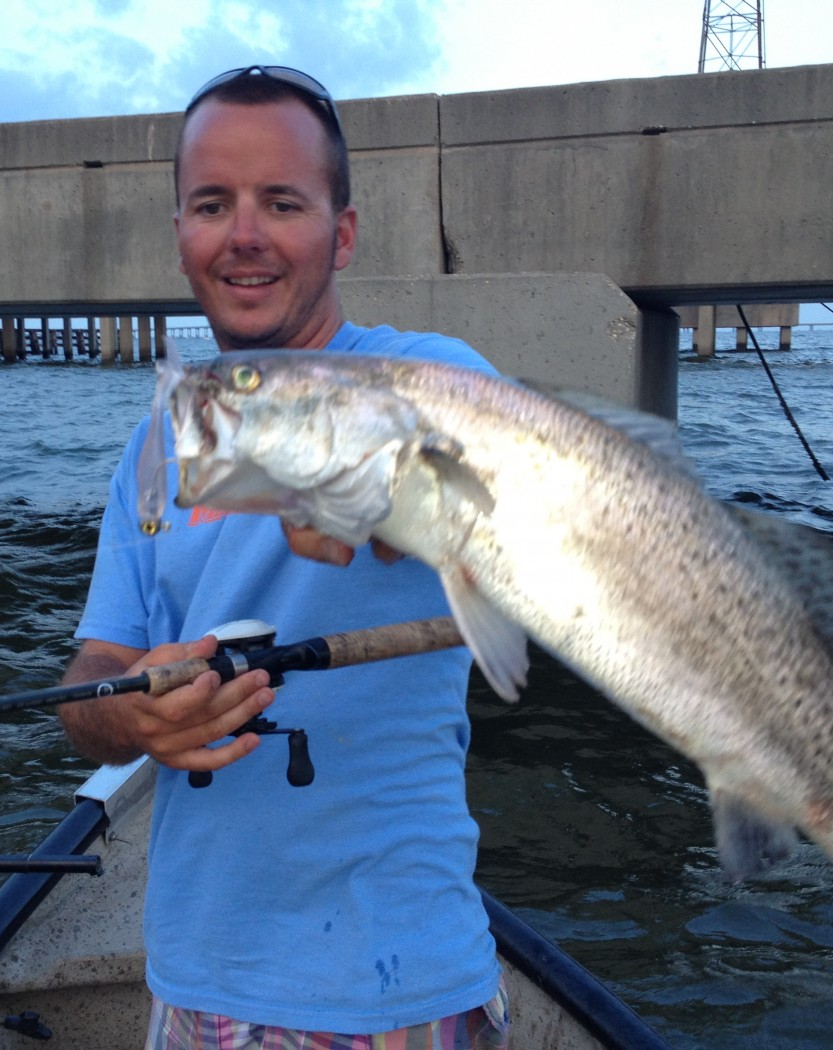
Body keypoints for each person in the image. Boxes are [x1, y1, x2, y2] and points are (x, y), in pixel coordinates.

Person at [58, 65, 509, 1050]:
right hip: (189, 985)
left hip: (392, 989)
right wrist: (128, 709)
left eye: (282, 202)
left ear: (341, 234)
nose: (245, 233)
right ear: (180, 234)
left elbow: (474, 500)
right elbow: (92, 671)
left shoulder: (430, 379)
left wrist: (372, 500)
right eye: (212, 204)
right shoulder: (157, 445)